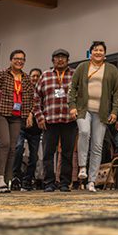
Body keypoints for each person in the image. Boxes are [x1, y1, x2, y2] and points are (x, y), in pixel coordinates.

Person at [69, 41, 118, 192]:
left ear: (105, 54)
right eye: (95, 50)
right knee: (84, 132)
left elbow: (117, 92)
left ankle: (92, 181)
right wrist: (72, 106)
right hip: (83, 110)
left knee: (97, 145)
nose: (98, 52)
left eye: (101, 50)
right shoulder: (82, 67)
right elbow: (72, 88)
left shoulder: (112, 69)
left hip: (102, 112)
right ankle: (82, 167)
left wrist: (114, 111)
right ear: (90, 52)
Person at [0, 50, 35, 193]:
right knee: (5, 143)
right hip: (1, 112)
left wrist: (29, 114)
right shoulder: (2, 74)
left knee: (13, 147)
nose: (19, 61)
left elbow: (30, 98)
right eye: (16, 58)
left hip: (17, 116)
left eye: (22, 59)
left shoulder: (26, 78)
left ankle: (8, 179)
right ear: (11, 60)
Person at [34, 48, 76, 192]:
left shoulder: (75, 75)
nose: (60, 60)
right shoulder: (45, 76)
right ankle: (49, 183)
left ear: (68, 60)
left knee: (67, 153)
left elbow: (82, 96)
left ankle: (65, 183)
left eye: (63, 57)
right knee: (48, 154)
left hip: (69, 120)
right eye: (57, 57)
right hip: (49, 120)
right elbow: (36, 98)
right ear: (53, 60)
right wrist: (39, 117)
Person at [14, 67, 46, 190]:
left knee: (34, 157)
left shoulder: (43, 92)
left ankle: (28, 179)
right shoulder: (24, 90)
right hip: (21, 127)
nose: (35, 78)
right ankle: (15, 176)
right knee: (18, 148)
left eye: (38, 76)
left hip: (36, 130)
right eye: (33, 76)